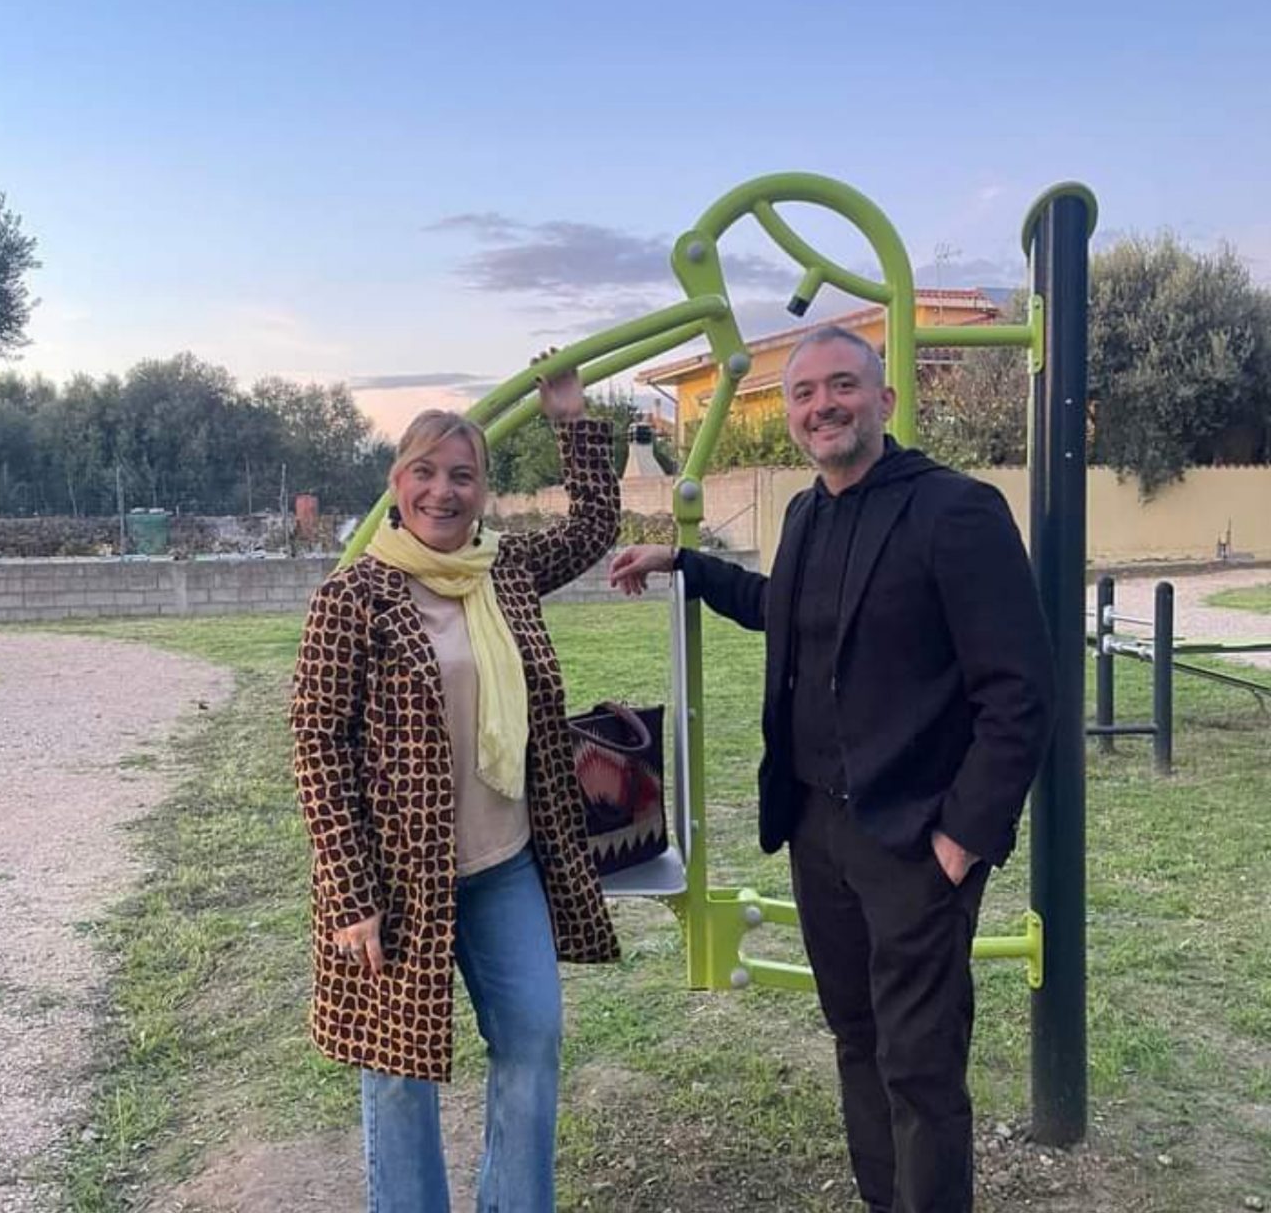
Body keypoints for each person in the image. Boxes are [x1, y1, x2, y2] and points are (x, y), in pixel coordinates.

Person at [606, 326, 1053, 1212]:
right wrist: (684, 562)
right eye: (805, 394)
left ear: (883, 402)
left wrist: (963, 838)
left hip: (915, 839)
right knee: (854, 1035)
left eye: (841, 386)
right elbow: (788, 608)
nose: (822, 407)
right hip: (817, 828)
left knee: (919, 1066)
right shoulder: (807, 512)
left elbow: (1021, 693)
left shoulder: (955, 511)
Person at [290, 371, 621, 1213]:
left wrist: (572, 420)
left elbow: (591, 528)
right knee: (400, 1073)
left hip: (505, 863)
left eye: (462, 475)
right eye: (426, 472)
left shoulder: (502, 573)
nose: (444, 490)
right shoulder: (353, 595)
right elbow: (318, 746)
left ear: (483, 492)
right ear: (397, 486)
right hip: (398, 882)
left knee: (534, 1037)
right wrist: (352, 897)